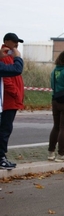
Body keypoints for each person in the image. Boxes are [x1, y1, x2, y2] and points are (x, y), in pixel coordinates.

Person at [0, 33, 24, 170]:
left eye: (18, 42)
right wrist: (15, 94)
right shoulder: (6, 57)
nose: (16, 45)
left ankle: (2, 156)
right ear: (6, 41)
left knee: (6, 129)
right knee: (5, 129)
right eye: (14, 42)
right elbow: (11, 77)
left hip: (10, 100)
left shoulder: (7, 56)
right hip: (7, 101)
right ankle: (1, 156)